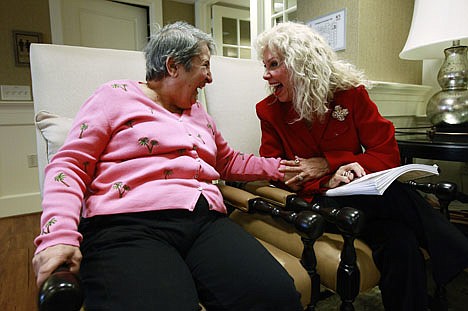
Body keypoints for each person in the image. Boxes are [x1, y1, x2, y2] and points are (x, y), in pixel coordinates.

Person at [32, 21, 303, 311]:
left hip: (204, 222)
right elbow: (70, 165)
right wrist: (58, 236)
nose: (210, 78)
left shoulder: (198, 113)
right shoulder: (114, 96)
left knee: (277, 296)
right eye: (205, 66)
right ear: (173, 66)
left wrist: (282, 169)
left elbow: (228, 161)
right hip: (126, 225)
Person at [254, 22, 468, 311]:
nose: (266, 74)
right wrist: (325, 181)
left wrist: (331, 162)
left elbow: (387, 152)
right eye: (265, 65)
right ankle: (458, 251)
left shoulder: (350, 96)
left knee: (400, 244)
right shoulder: (268, 110)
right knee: (394, 196)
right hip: (317, 205)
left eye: (274, 64)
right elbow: (275, 170)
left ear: (301, 64)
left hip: (364, 201)